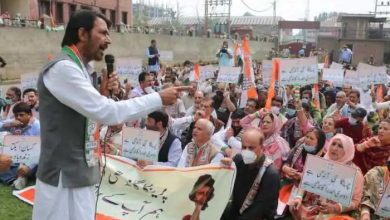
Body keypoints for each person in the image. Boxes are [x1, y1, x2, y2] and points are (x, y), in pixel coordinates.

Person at [32, 10, 182, 220]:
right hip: (62, 179)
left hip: (79, 173)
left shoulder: (81, 69)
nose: (108, 40)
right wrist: (158, 98)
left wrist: (101, 94)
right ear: (83, 33)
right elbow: (108, 112)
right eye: (103, 33)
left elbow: (89, 115)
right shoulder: (63, 69)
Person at [290, 134, 364, 219]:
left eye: (340, 146)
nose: (334, 148)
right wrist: (299, 197)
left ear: (347, 150)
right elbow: (305, 181)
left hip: (334, 211)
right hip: (312, 204)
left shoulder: (354, 173)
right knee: (294, 206)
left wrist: (335, 208)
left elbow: (355, 201)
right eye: (333, 144)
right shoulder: (321, 161)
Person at [221, 129, 280, 220]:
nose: (247, 151)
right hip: (236, 212)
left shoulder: (270, 174)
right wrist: (224, 167)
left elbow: (260, 208)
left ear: (262, 147)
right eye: (244, 147)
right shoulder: (238, 160)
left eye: (251, 148)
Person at [0, 102, 40, 189]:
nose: (18, 117)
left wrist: (29, 167)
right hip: (15, 155)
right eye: (16, 115)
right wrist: (9, 124)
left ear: (29, 114)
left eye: (21, 115)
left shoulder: (37, 126)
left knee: (32, 167)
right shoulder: (14, 122)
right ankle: (13, 178)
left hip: (32, 158)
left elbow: (40, 150)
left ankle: (21, 175)